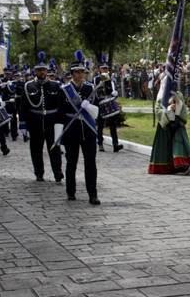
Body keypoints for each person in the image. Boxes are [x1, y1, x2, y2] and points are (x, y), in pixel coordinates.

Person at [60, 63, 100, 204]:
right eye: (77, 72)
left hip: (88, 129)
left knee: (90, 162)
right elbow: (60, 113)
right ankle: (70, 191)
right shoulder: (65, 90)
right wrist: (59, 135)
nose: (80, 74)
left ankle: (92, 194)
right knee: (72, 162)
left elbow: (97, 109)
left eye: (82, 72)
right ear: (72, 73)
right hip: (71, 129)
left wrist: (89, 106)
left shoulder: (91, 88)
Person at [19, 59, 64, 182]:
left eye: (44, 70)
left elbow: (60, 106)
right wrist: (23, 124)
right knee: (36, 149)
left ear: (47, 71)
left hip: (52, 123)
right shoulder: (28, 86)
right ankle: (39, 172)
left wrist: (61, 122)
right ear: (35, 71)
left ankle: (57, 172)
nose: (42, 72)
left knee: (54, 148)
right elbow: (23, 106)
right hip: (35, 123)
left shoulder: (55, 85)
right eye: (39, 70)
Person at [149, 91, 190, 174]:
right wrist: (169, 109)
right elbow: (158, 110)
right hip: (165, 126)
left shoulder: (179, 94)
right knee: (166, 147)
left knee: (179, 144)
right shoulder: (161, 95)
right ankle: (168, 167)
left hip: (177, 124)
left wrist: (177, 105)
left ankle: (182, 165)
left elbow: (183, 109)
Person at [94, 65, 123, 153]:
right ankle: (100, 143)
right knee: (100, 124)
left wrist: (115, 93)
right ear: (100, 69)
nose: (104, 70)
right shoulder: (96, 79)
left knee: (112, 124)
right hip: (100, 104)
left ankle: (115, 144)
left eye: (106, 68)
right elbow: (94, 91)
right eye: (103, 68)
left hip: (109, 103)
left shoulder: (111, 80)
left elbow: (113, 90)